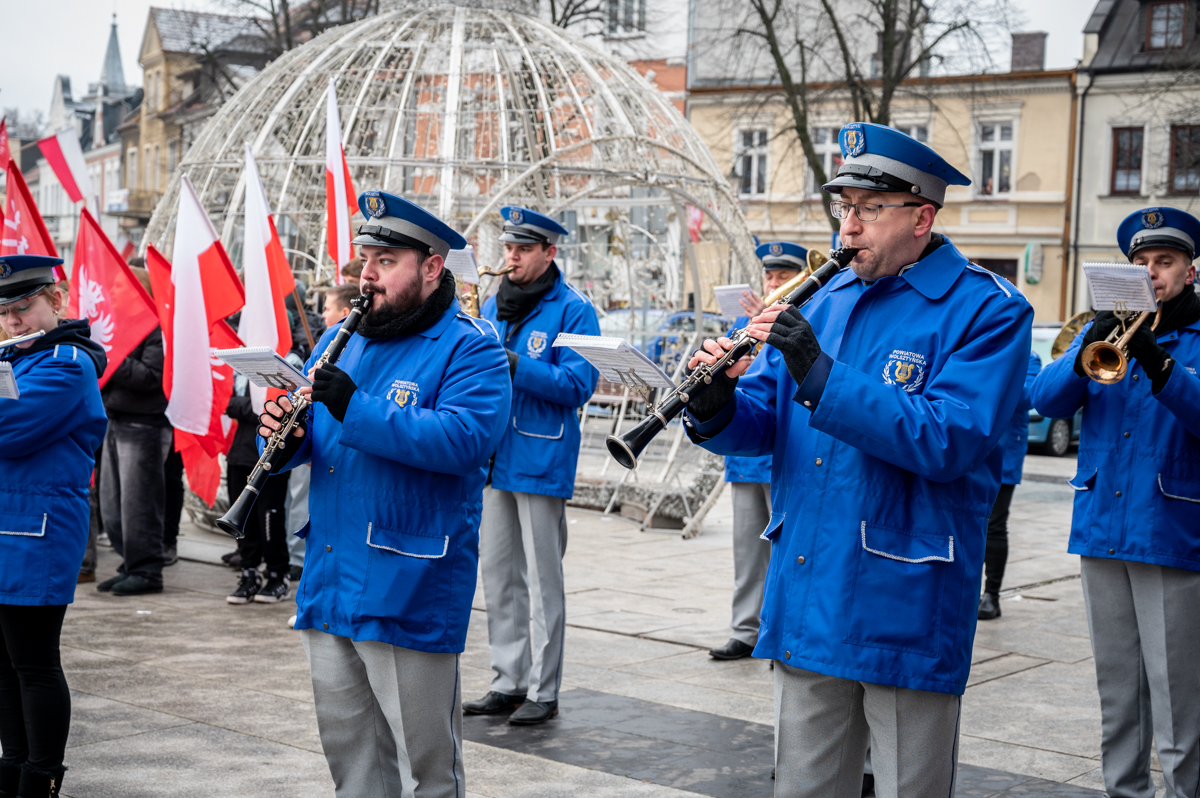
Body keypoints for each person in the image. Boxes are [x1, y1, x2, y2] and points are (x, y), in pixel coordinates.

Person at [682, 123, 1032, 797]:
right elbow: (764, 426)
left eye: (870, 210)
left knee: (908, 786)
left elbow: (948, 439)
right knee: (803, 787)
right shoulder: (826, 298)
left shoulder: (986, 310)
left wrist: (819, 372)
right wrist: (717, 401)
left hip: (905, 600)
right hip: (811, 587)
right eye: (845, 209)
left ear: (922, 218)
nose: (849, 227)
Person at [257, 190, 511, 797]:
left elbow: (463, 441)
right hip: (331, 575)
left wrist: (350, 404)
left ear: (431, 267)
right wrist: (283, 437)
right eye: (365, 258)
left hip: (408, 583)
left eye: (386, 260)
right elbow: (320, 435)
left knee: (427, 770)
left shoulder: (471, 346)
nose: (366, 274)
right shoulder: (344, 338)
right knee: (353, 762)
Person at [1031, 207, 1200, 798]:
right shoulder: (1101, 331)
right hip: (1102, 528)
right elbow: (1046, 400)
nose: (1152, 272)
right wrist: (1091, 339)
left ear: (1190, 270)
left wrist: (1159, 360)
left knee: (1179, 697)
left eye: (1165, 262)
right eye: (1142, 263)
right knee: (1118, 691)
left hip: (1171, 531)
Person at [465, 206, 599, 726]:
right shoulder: (494, 304)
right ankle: (507, 679)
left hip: (542, 456)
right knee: (499, 575)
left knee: (544, 582)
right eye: (509, 248)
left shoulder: (574, 309)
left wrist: (515, 363)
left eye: (523, 249)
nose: (512, 258)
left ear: (550, 252)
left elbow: (577, 386)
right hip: (493, 457)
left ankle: (544, 689)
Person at [0, 255, 107, 798]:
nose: (13, 322)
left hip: (36, 530)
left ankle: (40, 779)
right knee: (4, 666)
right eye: (4, 313)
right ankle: (12, 770)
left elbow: (10, 430)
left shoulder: (66, 362)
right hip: (8, 526)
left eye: (23, 307)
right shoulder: (15, 358)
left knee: (34, 662)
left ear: (56, 301)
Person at [710, 241, 805, 661]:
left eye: (783, 277)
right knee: (746, 550)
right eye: (769, 276)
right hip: (745, 459)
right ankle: (745, 629)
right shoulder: (744, 326)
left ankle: (779, 631)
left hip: (781, 456)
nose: (773, 283)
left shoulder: (806, 322)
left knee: (786, 552)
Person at [96, 316, 171, 597]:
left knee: (139, 505)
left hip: (144, 424)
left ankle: (147, 571)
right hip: (116, 419)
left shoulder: (156, 329)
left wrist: (110, 354)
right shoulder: (122, 326)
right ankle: (130, 564)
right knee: (113, 508)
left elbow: (149, 376)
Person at [977, 349, 1041, 621]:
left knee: (994, 525)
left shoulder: (1030, 357)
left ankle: (991, 594)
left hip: (1005, 454)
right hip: (973, 448)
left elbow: (1028, 397)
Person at [223, 374, 292, 604]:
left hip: (270, 458)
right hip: (239, 454)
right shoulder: (242, 370)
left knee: (269, 519)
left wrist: (244, 407)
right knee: (242, 520)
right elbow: (226, 401)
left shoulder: (286, 360)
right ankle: (249, 572)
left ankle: (277, 575)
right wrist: (247, 407)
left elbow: (279, 409)